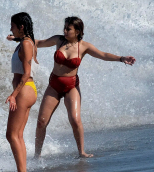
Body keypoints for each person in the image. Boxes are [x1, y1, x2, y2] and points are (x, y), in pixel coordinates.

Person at [34, 16, 135, 158]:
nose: (65, 31)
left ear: (77, 31)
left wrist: (121, 58)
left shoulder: (84, 46)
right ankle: (36, 155)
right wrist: (19, 39)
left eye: (68, 29)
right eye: (64, 27)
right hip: (54, 85)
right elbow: (39, 42)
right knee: (42, 122)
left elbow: (103, 55)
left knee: (75, 120)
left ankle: (81, 152)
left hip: (71, 87)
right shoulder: (58, 40)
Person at [4, 12, 38, 172]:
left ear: (21, 27)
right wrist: (14, 39)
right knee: (17, 135)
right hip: (29, 90)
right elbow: (24, 43)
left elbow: (25, 74)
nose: (10, 28)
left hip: (24, 91)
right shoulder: (27, 42)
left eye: (13, 26)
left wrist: (13, 95)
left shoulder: (25, 44)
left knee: (11, 134)